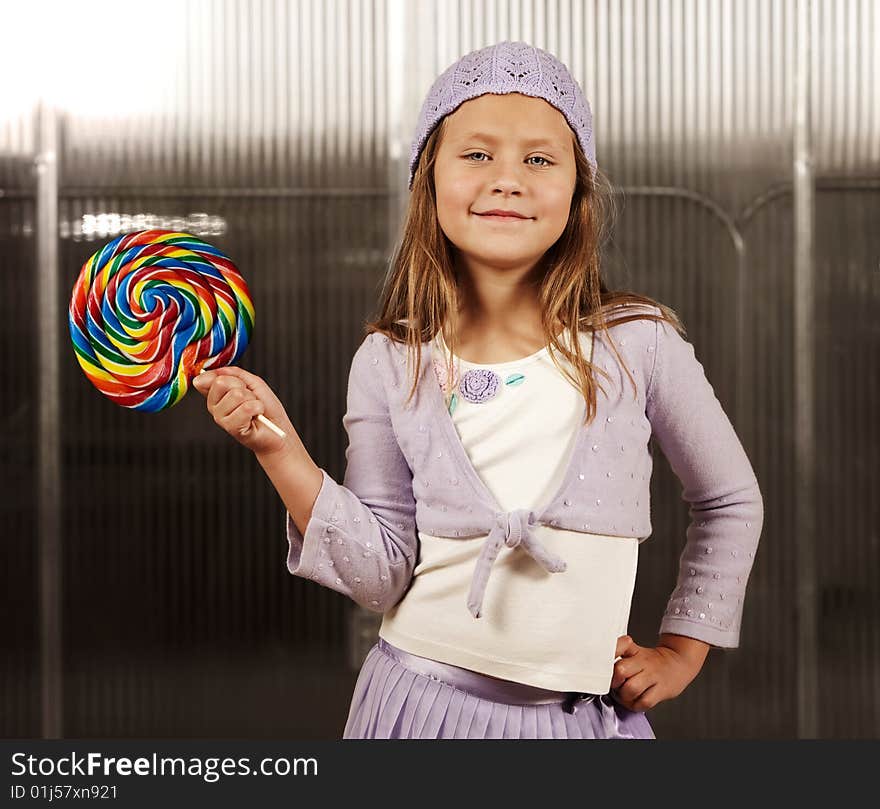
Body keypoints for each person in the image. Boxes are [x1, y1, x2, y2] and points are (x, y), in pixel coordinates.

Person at [192, 40, 763, 739]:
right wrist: (275, 447)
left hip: (575, 726)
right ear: (429, 180)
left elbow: (730, 500)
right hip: (416, 708)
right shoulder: (389, 361)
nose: (508, 179)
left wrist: (682, 649)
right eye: (477, 154)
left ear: (579, 192)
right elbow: (380, 576)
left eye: (540, 159)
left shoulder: (638, 343)